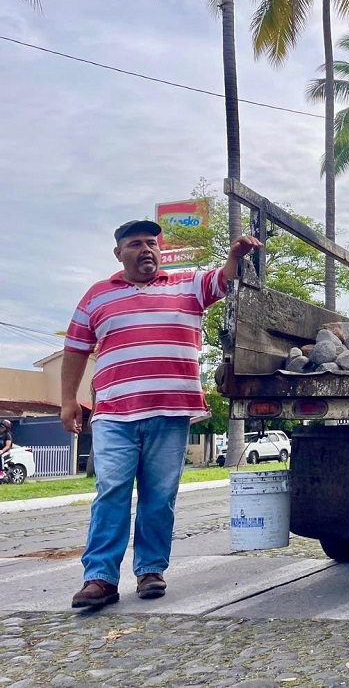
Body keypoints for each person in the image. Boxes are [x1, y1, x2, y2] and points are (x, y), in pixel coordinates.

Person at [61, 219, 261, 609]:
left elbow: (224, 278)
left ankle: (151, 570)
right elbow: (75, 349)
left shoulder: (187, 284)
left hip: (171, 411)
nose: (146, 249)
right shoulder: (97, 296)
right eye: (135, 244)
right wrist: (68, 400)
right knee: (111, 492)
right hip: (115, 414)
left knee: (159, 497)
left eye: (152, 243)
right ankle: (100, 578)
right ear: (119, 253)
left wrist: (235, 256)